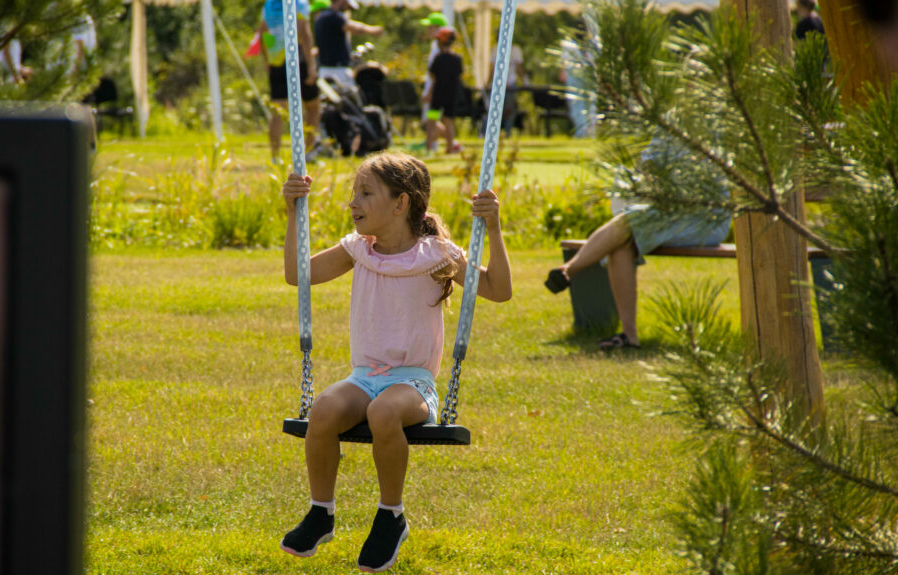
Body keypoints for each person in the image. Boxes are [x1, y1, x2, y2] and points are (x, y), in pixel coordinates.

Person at [279, 152, 512, 572]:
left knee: (383, 411)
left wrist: (492, 228)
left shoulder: (437, 253)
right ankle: (321, 511)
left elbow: (497, 289)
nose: (354, 203)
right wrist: (294, 211)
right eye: (354, 193)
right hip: (364, 377)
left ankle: (391, 515)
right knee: (324, 409)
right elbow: (299, 275)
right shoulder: (357, 250)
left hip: (412, 384)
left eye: (366, 193)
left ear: (401, 203)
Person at [544, 136, 731, 350]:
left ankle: (569, 269)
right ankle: (629, 337)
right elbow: (648, 163)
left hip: (706, 220)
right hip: (670, 214)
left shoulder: (711, 122)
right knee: (622, 242)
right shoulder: (670, 118)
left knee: (627, 224)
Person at [259, 0, 320, 163]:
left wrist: (267, 59)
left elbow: (262, 32)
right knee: (313, 107)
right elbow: (305, 33)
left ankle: (275, 155)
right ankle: (308, 152)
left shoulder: (269, 5)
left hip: (276, 61)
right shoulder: (299, 3)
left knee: (278, 111)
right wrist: (312, 66)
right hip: (297, 60)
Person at [314, 0, 383, 89]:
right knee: (349, 99)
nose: (347, 9)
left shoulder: (320, 18)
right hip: (338, 71)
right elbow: (355, 28)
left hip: (324, 70)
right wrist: (373, 30)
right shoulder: (334, 17)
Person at [424, 27, 463, 154]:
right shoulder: (457, 59)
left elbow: (433, 77)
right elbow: (459, 77)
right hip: (452, 94)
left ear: (441, 42)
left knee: (431, 121)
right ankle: (450, 147)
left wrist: (429, 93)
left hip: (437, 95)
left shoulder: (438, 58)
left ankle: (429, 147)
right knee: (449, 121)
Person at [418, 12, 448, 152]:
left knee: (431, 120)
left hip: (433, 90)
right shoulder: (434, 46)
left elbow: (437, 73)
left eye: (430, 27)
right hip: (432, 88)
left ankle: (447, 143)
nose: (428, 30)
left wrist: (430, 91)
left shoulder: (438, 48)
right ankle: (441, 143)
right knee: (431, 120)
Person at [487, 42, 526, 136]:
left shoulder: (516, 50)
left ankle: (507, 132)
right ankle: (491, 133)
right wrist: (488, 82)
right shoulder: (495, 49)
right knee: (494, 109)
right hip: (497, 84)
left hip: (511, 83)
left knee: (509, 110)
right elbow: (492, 68)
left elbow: (518, 67)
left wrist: (524, 80)